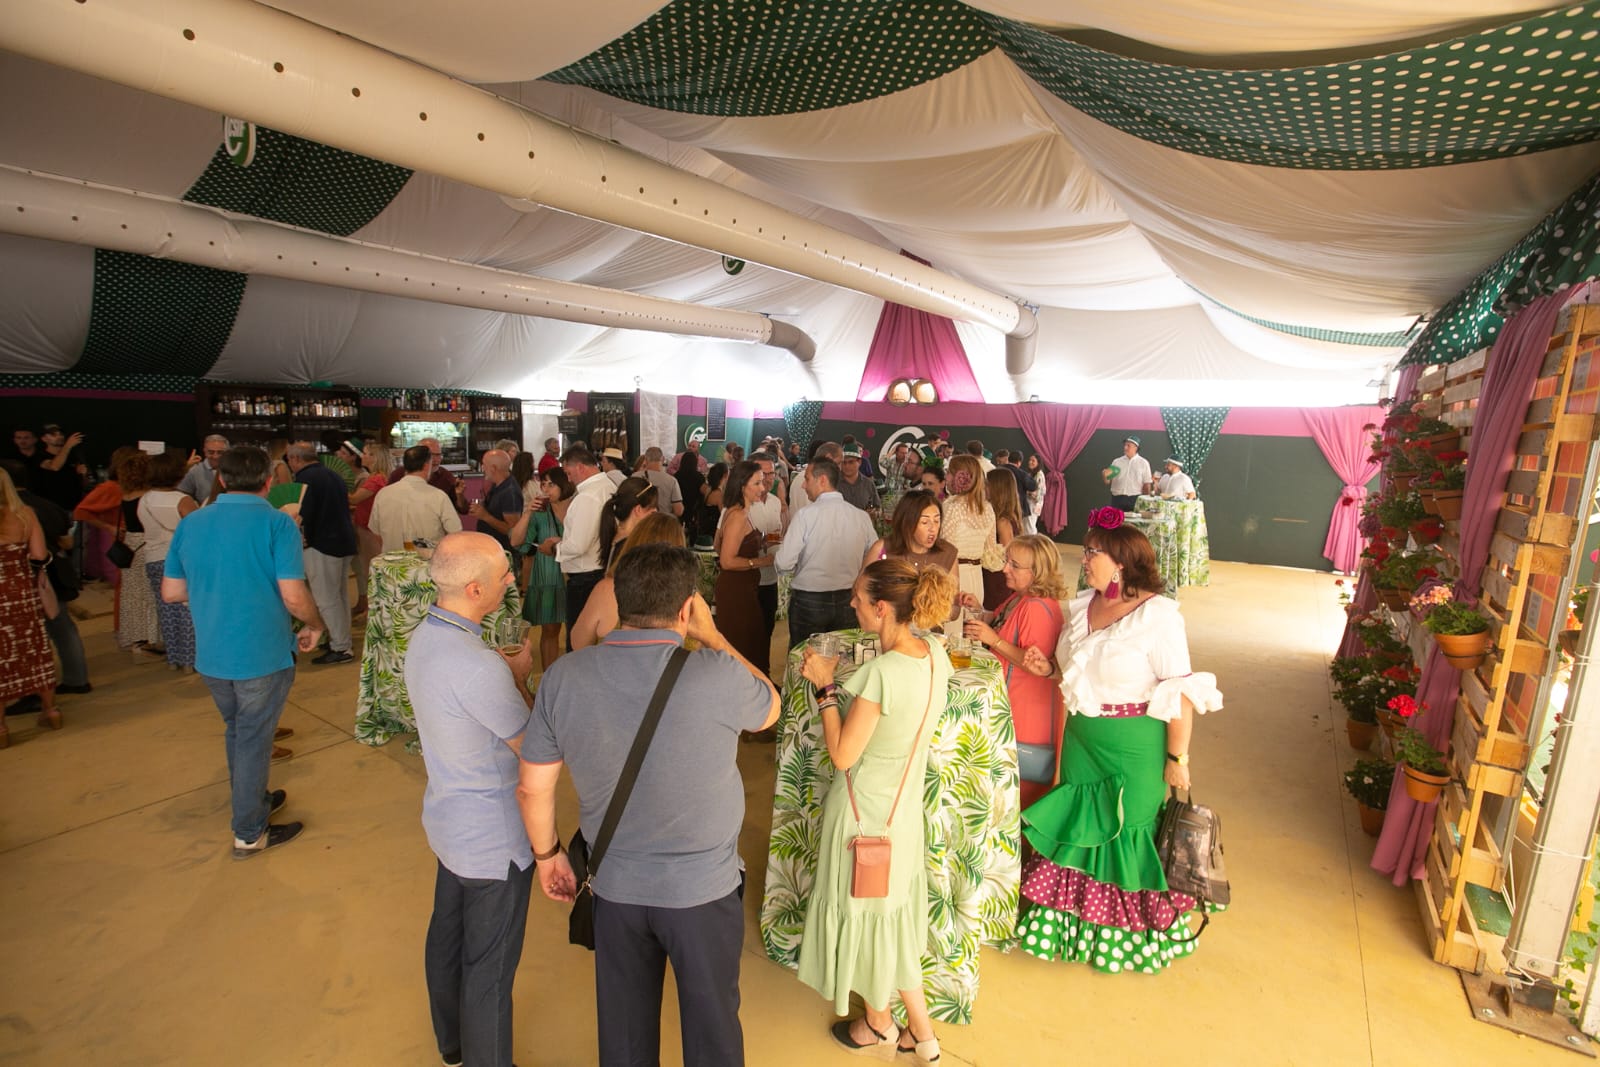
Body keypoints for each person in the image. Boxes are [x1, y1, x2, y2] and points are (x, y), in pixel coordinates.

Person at [519, 543, 779, 1067]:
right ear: (688, 607)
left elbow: (534, 787)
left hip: (614, 884)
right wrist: (712, 635)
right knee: (713, 1027)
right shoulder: (717, 674)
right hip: (704, 890)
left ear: (618, 602)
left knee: (625, 1032)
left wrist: (547, 856)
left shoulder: (564, 678)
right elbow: (770, 707)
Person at [1015, 512, 1223, 973]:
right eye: (1086, 551)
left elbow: (1179, 694)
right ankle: (1070, 933)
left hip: (1134, 746)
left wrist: (1177, 758)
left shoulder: (1159, 618)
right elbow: (1076, 671)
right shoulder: (1085, 604)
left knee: (1128, 831)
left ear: (1122, 564)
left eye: (1093, 553)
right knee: (1079, 829)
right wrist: (1048, 668)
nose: (1084, 560)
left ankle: (1125, 942)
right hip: (1082, 740)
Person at [795, 559, 954, 1062]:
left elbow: (843, 754)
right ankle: (922, 1035)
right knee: (893, 920)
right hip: (902, 816)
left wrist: (824, 687)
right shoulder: (934, 653)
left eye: (859, 600)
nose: (851, 605)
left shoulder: (881, 673)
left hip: (863, 819)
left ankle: (880, 1023)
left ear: (881, 608)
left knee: (867, 919)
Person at [405, 531, 536, 1067]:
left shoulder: (427, 635)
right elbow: (534, 749)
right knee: (490, 969)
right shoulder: (478, 666)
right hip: (494, 839)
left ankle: (452, 1044)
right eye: (506, 572)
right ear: (478, 587)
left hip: (449, 822)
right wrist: (521, 681)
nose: (512, 578)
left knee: (447, 938)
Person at [162, 445, 327, 857]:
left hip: (213, 653)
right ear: (270, 482)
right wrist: (314, 623)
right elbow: (293, 595)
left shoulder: (192, 523)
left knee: (238, 731)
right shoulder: (277, 524)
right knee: (254, 737)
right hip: (262, 652)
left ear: (221, 478)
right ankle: (250, 831)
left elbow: (172, 591)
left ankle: (253, 801)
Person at [959, 534, 1067, 807]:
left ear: (1036, 572)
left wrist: (992, 640)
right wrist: (980, 612)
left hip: (1026, 713)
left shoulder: (1036, 608)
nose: (1005, 568)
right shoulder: (1020, 598)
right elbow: (1002, 625)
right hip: (1016, 706)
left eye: (1014, 565)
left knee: (1019, 794)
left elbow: (1034, 665)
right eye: (1007, 561)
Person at [0, 459, 90, 698]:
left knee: (13, 645)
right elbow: (62, 542)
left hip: (17, 587)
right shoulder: (38, 509)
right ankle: (73, 682)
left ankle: (23, 696)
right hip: (44, 578)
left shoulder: (22, 511)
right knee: (57, 630)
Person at [775, 457, 877, 649]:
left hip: (809, 600)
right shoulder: (861, 517)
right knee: (843, 661)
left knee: (803, 662)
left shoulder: (805, 515)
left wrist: (799, 565)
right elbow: (875, 557)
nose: (803, 485)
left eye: (807, 479)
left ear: (822, 480)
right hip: (850, 598)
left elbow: (783, 562)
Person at [0, 467, 60, 746]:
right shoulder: (25, 514)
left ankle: (1, 728)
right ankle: (51, 710)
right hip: (22, 591)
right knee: (36, 650)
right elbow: (39, 554)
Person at [286, 442, 359, 665]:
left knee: (326, 599)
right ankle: (341, 639)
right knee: (340, 597)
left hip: (321, 545)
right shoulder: (332, 474)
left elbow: (301, 514)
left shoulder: (305, 480)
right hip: (344, 541)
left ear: (296, 459)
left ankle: (341, 646)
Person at [568, 512, 686, 649]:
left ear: (633, 541)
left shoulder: (607, 590)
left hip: (610, 669)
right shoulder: (691, 599)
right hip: (674, 669)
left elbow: (578, 643)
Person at [547, 445, 616, 651]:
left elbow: (579, 544)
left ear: (580, 467)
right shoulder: (607, 485)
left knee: (578, 639)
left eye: (568, 473)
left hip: (585, 575)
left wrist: (554, 548)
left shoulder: (588, 496)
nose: (568, 479)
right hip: (601, 568)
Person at [137, 451, 199, 672]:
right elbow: (196, 530)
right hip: (180, 559)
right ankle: (191, 660)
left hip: (153, 558)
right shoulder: (182, 500)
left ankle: (174, 659)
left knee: (165, 609)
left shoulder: (145, 499)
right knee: (188, 610)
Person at [713, 460, 777, 673]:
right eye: (757, 483)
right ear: (742, 485)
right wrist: (760, 561)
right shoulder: (738, 515)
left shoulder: (735, 511)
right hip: (736, 591)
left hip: (744, 589)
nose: (763, 487)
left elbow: (717, 544)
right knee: (742, 648)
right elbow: (727, 560)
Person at [508, 466, 573, 672]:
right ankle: (549, 676)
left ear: (565, 483)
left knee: (577, 629)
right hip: (547, 575)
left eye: (551, 484)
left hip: (573, 574)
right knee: (550, 630)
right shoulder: (540, 514)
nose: (545, 488)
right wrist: (528, 512)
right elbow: (517, 542)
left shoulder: (578, 508)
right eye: (543, 484)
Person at [112, 451, 163, 656]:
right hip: (145, 544)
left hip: (130, 544)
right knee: (150, 594)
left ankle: (136, 638)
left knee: (132, 594)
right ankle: (151, 638)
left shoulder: (126, 495)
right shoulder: (148, 498)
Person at [370, 444, 464, 554]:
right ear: (426, 465)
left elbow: (376, 533)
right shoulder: (438, 496)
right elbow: (455, 533)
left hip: (392, 564)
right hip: (428, 564)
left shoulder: (383, 494)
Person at [940, 454, 998, 609]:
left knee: (952, 627)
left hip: (955, 575)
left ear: (958, 477)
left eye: (948, 472)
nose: (946, 477)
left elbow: (945, 549)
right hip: (977, 575)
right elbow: (991, 550)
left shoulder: (951, 506)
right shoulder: (987, 508)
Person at [862, 489, 958, 579]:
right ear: (907, 523)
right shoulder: (882, 549)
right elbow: (859, 590)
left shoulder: (948, 553)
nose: (933, 528)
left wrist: (963, 597)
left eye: (937, 521)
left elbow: (953, 595)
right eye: (925, 522)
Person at [348, 442, 393, 617]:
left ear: (374, 457)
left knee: (371, 568)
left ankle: (376, 609)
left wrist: (336, 487)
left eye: (366, 453)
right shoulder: (380, 477)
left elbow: (355, 499)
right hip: (371, 526)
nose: (362, 456)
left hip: (369, 528)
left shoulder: (376, 479)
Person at [983, 467, 1025, 610]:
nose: (984, 488)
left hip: (996, 579)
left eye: (987, 484)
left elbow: (1006, 553)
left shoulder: (1002, 520)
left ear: (997, 489)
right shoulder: (1008, 516)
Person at [388, 436, 467, 513]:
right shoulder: (398, 474)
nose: (436, 460)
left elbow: (463, 510)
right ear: (417, 455)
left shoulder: (446, 476)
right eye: (431, 455)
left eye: (438, 455)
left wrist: (459, 495)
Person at [468, 448, 523, 556]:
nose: (482, 468)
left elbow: (513, 530)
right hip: (492, 549)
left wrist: (485, 516)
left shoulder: (509, 492)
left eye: (484, 465)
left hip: (503, 553)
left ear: (493, 468)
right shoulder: (498, 485)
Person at [34, 425, 88, 514]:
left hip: (75, 506)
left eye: (60, 434)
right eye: (53, 435)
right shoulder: (39, 456)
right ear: (44, 439)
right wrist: (68, 445)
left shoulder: (73, 456)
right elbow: (54, 467)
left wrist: (83, 474)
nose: (59, 437)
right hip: (52, 508)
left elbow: (84, 484)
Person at [1103, 435, 1152, 512]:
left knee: (1133, 523)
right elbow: (1108, 481)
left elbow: (1147, 484)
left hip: (1135, 499)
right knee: (1116, 523)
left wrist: (1147, 502)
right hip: (1117, 499)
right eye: (1125, 445)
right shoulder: (1117, 462)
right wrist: (1104, 476)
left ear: (1136, 447)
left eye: (1128, 445)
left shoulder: (1143, 463)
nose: (1125, 447)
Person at [178, 434, 229, 504]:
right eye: (211, 452)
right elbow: (183, 495)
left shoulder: (235, 469)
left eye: (220, 452)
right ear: (204, 451)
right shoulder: (194, 470)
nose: (215, 456)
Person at [835, 445, 881, 516]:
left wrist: (875, 513)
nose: (847, 466)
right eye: (844, 462)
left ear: (859, 462)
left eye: (851, 462)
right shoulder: (833, 483)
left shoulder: (868, 484)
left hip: (862, 526)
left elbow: (878, 508)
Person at [640, 447, 685, 518]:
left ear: (645, 459)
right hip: (663, 523)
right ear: (663, 459)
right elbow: (679, 511)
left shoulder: (634, 477)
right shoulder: (671, 481)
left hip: (640, 524)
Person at [695, 462, 727, 546]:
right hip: (713, 532)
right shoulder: (718, 494)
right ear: (725, 475)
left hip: (705, 529)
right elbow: (724, 515)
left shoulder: (708, 489)